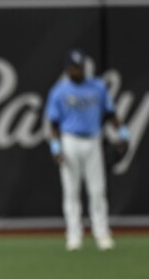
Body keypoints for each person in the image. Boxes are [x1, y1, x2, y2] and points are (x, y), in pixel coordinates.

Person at [45, 49, 129, 251]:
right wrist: (56, 148)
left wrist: (124, 134)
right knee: (71, 191)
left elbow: (110, 113)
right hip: (70, 140)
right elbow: (54, 124)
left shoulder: (97, 87)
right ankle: (74, 234)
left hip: (93, 140)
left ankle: (101, 233)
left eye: (80, 66)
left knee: (97, 190)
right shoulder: (59, 91)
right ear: (67, 68)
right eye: (74, 67)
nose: (78, 70)